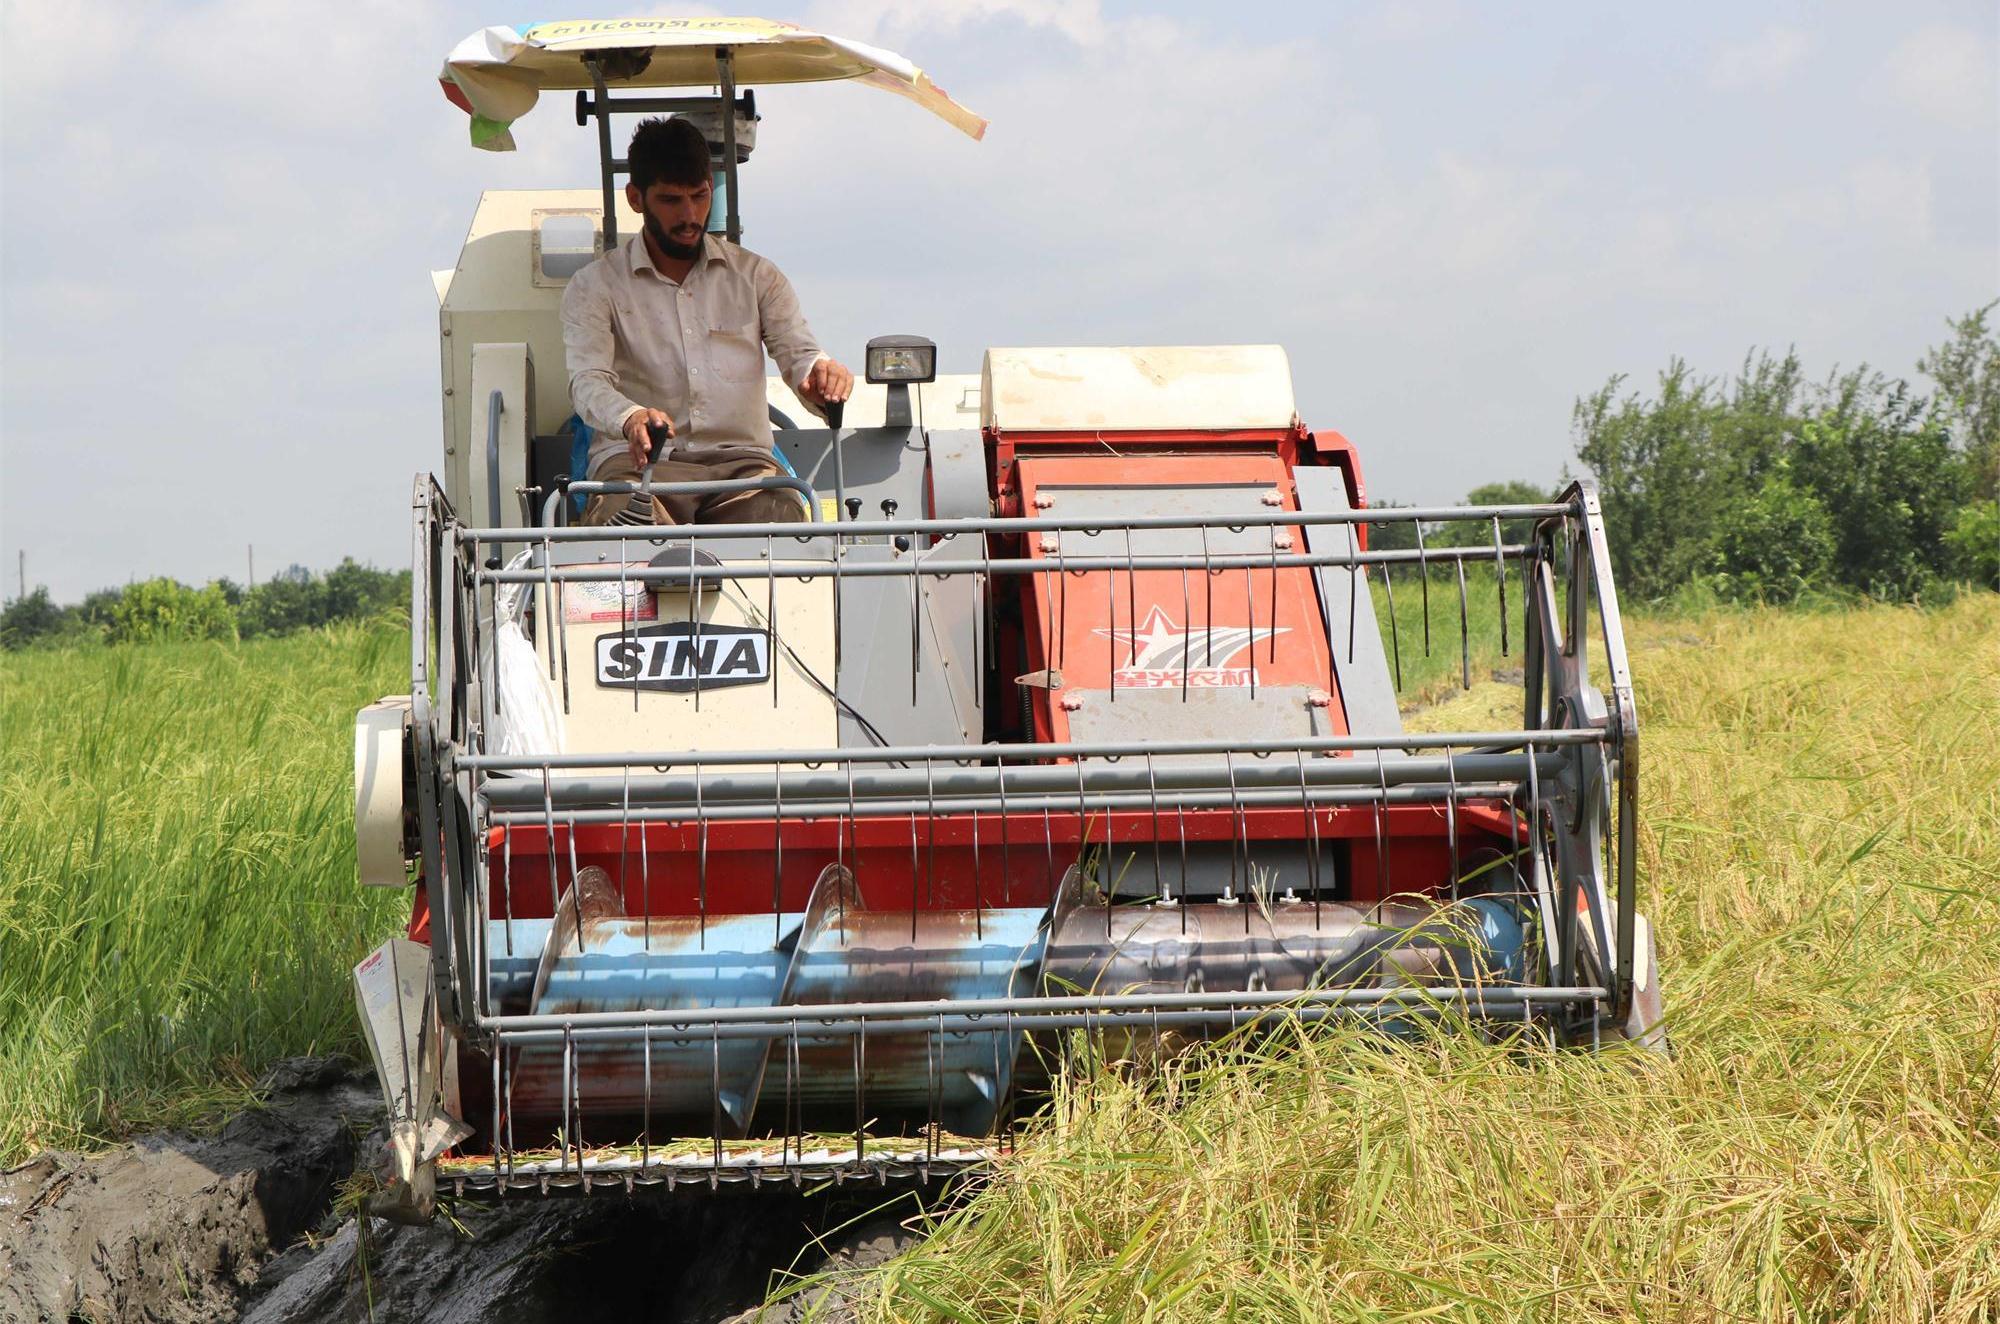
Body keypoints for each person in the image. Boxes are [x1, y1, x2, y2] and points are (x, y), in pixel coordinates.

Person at [560, 116, 854, 525]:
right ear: (635, 198)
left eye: (699, 197)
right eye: (670, 200)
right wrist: (631, 418)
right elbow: (587, 382)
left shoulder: (757, 277)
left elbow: (800, 355)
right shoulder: (594, 286)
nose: (689, 215)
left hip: (743, 469)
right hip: (637, 467)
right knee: (623, 528)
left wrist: (819, 377)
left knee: (783, 521)